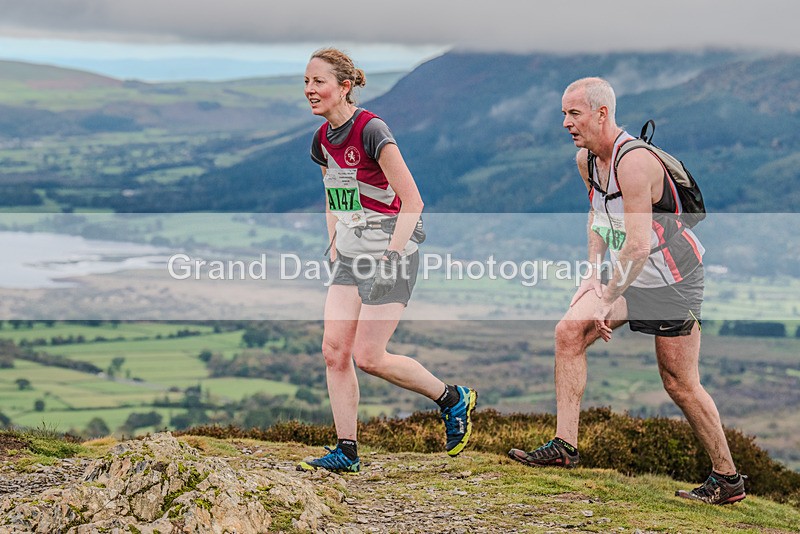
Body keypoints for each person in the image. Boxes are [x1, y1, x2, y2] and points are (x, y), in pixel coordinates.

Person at [508, 77, 745, 505]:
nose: (565, 123)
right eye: (563, 113)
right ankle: (565, 447)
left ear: (602, 113)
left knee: (679, 381)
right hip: (630, 272)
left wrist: (608, 292)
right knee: (568, 333)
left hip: (673, 278)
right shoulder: (586, 160)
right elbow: (598, 217)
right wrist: (591, 277)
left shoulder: (634, 163)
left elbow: (637, 245)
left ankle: (727, 479)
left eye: (573, 113)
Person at [296, 48, 477, 473]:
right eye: (305, 82)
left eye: (318, 82)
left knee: (369, 356)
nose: (309, 90)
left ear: (344, 87)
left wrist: (391, 259)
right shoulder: (322, 140)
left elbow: (414, 201)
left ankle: (452, 398)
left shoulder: (371, 130)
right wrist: (334, 244)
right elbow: (332, 196)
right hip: (350, 255)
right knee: (333, 351)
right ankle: (347, 450)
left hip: (392, 253)